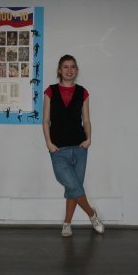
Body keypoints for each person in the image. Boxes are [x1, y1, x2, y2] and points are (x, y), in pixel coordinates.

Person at [42, 55, 104, 237]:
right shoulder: (50, 91)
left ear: (76, 70)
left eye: (73, 67)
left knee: (73, 188)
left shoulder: (83, 92)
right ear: (59, 70)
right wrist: (49, 143)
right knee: (73, 186)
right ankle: (92, 215)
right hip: (58, 149)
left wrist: (88, 139)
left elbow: (87, 120)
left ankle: (67, 224)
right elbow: (45, 120)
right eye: (65, 67)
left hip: (79, 148)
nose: (69, 70)